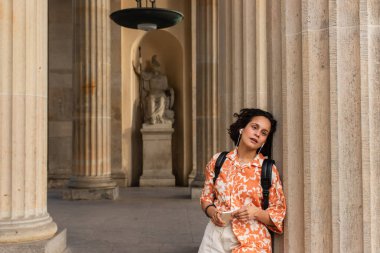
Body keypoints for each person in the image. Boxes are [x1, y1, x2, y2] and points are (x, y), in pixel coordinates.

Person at [198, 108, 286, 253]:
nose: (257, 134)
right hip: (214, 238)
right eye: (254, 127)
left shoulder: (268, 169)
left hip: (251, 241)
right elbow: (206, 199)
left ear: (265, 140)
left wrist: (256, 212)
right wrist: (213, 212)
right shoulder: (218, 161)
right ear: (242, 128)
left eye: (264, 133)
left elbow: (278, 214)